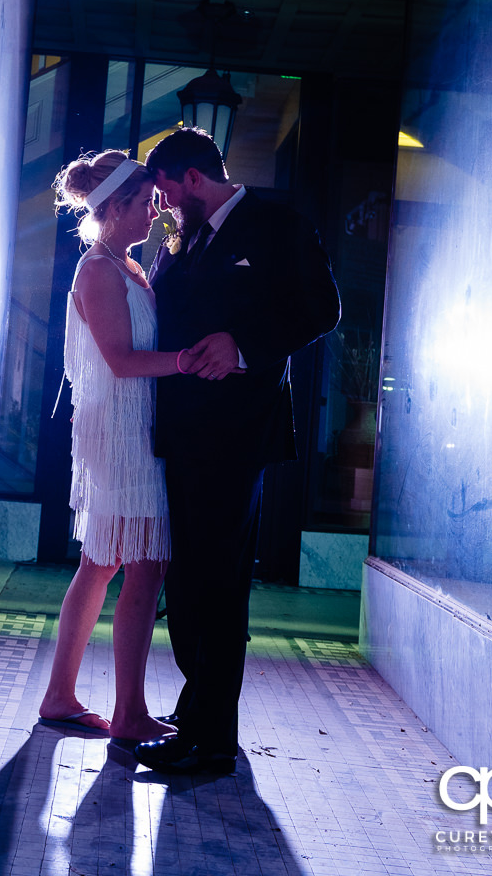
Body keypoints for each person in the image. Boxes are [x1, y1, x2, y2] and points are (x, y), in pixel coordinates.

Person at [134, 127, 341, 775]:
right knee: (191, 585)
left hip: (238, 435)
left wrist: (242, 344)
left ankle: (212, 740)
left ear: (194, 178)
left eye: (167, 190)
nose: (163, 205)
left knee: (219, 587)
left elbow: (322, 310)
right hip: (181, 435)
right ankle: (197, 723)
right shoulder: (183, 236)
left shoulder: (279, 225)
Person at [37, 149, 211, 744]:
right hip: (119, 435)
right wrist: (187, 362)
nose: (154, 209)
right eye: (143, 203)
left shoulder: (130, 264)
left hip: (135, 430)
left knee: (105, 561)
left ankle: (61, 695)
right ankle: (127, 713)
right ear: (113, 208)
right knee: (143, 564)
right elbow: (119, 359)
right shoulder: (98, 271)